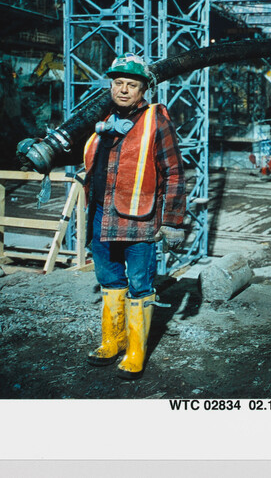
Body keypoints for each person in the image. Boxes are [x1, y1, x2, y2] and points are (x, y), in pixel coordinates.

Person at [83, 53, 186, 380]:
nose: (123, 89)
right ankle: (112, 342)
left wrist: (172, 221)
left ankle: (135, 353)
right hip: (101, 215)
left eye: (131, 84)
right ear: (111, 86)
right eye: (118, 83)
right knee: (108, 279)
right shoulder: (103, 119)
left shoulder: (156, 121)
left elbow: (174, 173)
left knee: (140, 284)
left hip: (139, 221)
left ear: (144, 89)